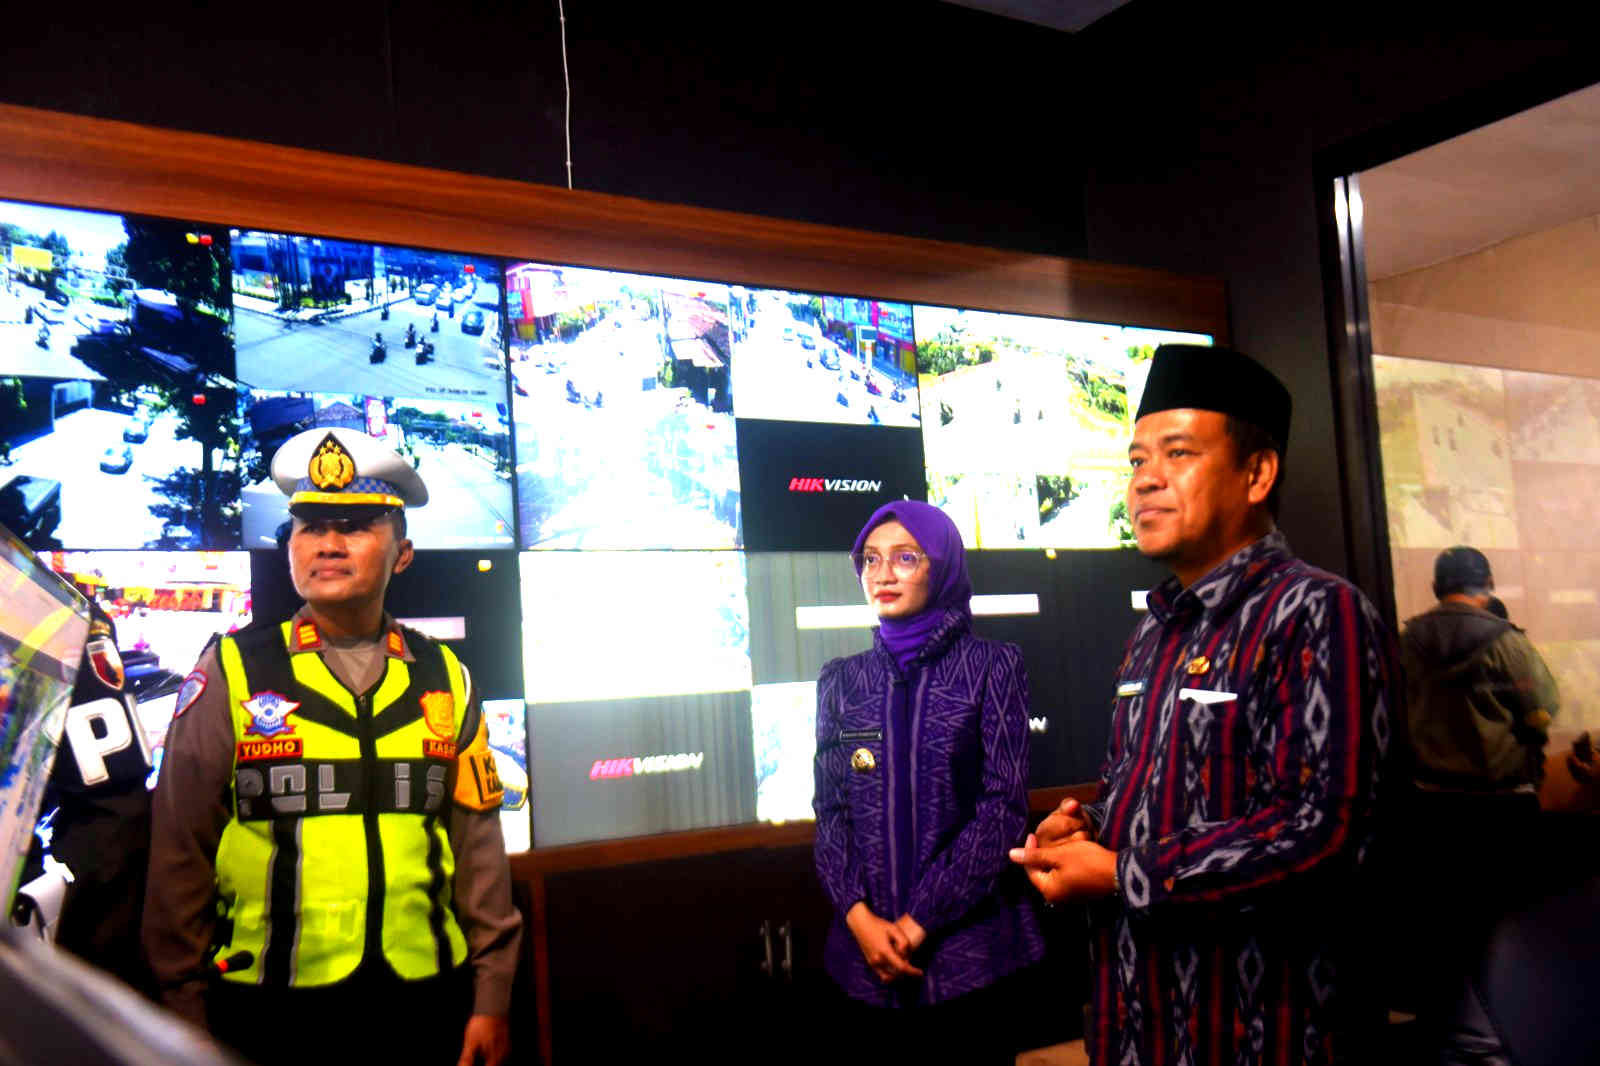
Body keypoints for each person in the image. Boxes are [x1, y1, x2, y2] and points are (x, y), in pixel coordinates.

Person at [1009, 344, 1398, 1064]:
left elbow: (1326, 838)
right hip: (1137, 1029)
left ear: (1257, 474)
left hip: (1260, 1035)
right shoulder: (1153, 630)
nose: (1145, 481)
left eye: (1178, 453)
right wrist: (1086, 825)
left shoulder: (1317, 612)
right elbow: (1153, 794)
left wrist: (1122, 871)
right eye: (1134, 461)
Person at [142, 427, 521, 1066]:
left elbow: (478, 851)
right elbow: (179, 855)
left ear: (402, 553)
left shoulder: (444, 677)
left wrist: (491, 998)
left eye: (355, 525)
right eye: (310, 526)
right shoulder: (232, 672)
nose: (329, 544)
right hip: (269, 1013)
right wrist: (181, 1015)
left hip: (425, 1005)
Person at [813, 500, 1042, 1064]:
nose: (882, 573)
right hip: (862, 961)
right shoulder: (843, 680)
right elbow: (831, 813)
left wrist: (917, 923)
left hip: (969, 959)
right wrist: (860, 918)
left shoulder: (993, 666)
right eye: (870, 559)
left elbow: (1002, 808)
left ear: (941, 568)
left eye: (905, 557)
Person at [1392, 546, 1559, 1045]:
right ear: (1485, 581)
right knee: (1507, 922)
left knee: (1443, 926)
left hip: (1431, 805)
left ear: (1438, 585)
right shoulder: (1504, 641)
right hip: (1500, 806)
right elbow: (1542, 707)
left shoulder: (1408, 640)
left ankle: (1450, 1032)